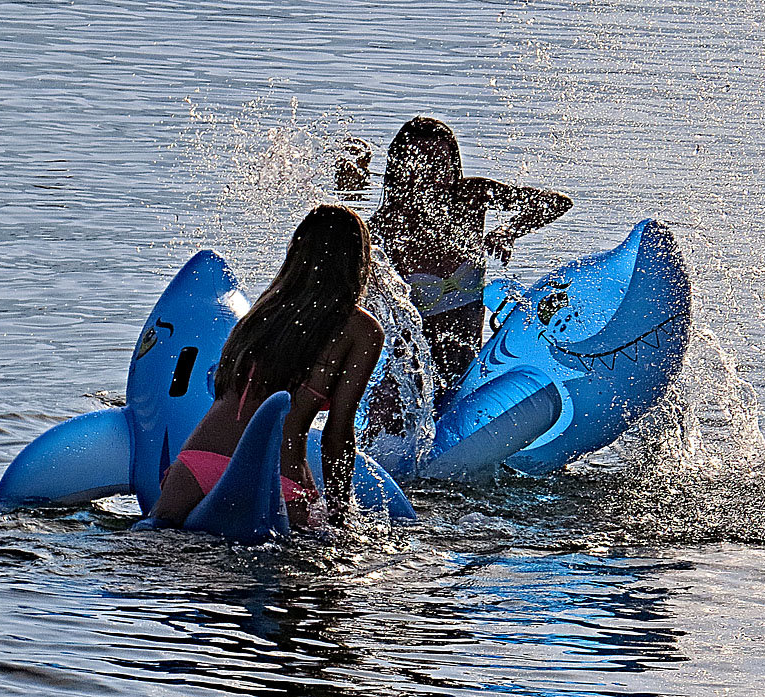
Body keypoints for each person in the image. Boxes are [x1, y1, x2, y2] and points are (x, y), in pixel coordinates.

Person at [150, 204, 384, 528]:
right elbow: (338, 432)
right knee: (321, 565)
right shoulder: (360, 329)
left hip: (196, 465)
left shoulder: (266, 310)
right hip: (274, 477)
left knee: (158, 539)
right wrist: (341, 511)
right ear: (357, 261)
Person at [367, 116, 573, 398]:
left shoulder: (470, 197)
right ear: (403, 169)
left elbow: (556, 203)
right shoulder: (385, 227)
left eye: (441, 164)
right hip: (411, 377)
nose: (434, 175)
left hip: (468, 374)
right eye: (422, 164)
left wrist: (509, 231)